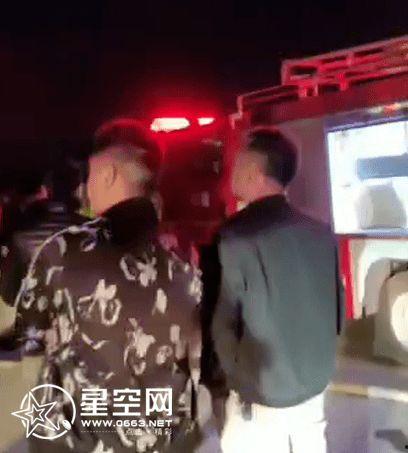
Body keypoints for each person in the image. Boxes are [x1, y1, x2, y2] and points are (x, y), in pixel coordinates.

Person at [14, 119, 202, 453]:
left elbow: (29, 335)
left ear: (108, 175)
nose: (85, 189)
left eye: (88, 177)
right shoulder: (184, 264)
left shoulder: (64, 251)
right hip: (160, 439)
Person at [212, 129, 339, 453]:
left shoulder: (234, 236)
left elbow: (222, 322)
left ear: (254, 173)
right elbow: (337, 310)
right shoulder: (319, 231)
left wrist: (237, 380)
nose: (232, 174)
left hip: (261, 395)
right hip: (314, 385)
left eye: (238, 165)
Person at [0, 171, 85, 356]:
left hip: (37, 338)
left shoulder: (20, 238)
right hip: (85, 333)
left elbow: (9, 295)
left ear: (45, 191)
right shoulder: (94, 231)